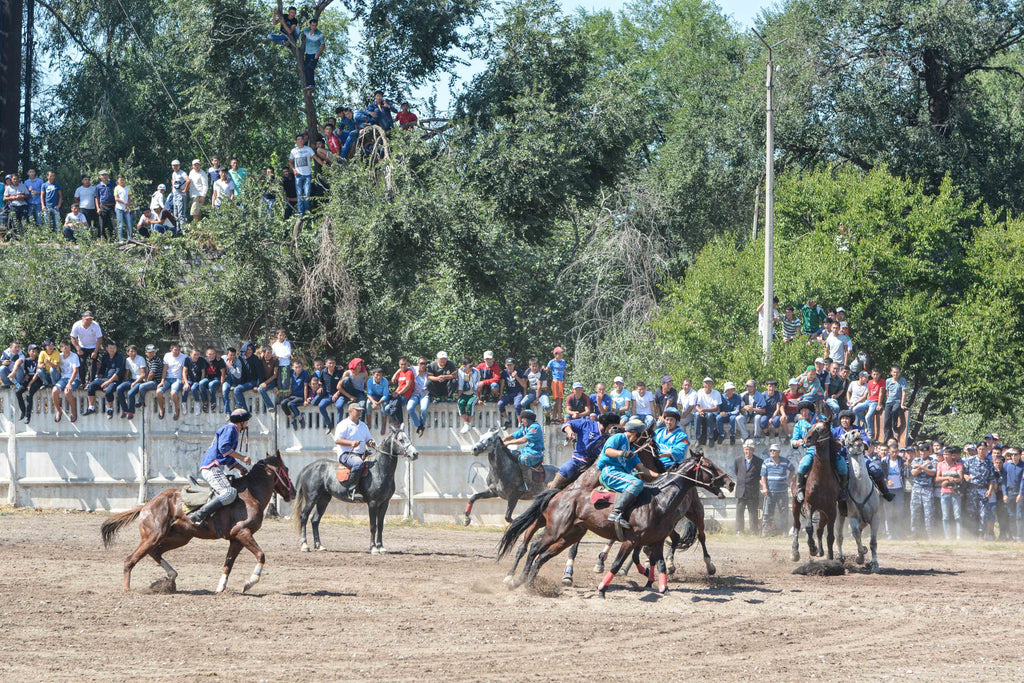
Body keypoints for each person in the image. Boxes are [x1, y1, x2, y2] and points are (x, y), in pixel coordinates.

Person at [188, 409, 253, 525]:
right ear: (240, 422)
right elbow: (225, 449)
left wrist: (239, 467)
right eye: (246, 421)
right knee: (229, 493)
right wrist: (242, 458)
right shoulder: (231, 429)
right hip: (211, 467)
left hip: (213, 467)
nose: (247, 424)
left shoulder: (232, 430)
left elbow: (227, 456)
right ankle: (198, 515)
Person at [597, 419, 652, 530]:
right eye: (641, 435)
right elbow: (608, 451)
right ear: (637, 433)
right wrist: (622, 453)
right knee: (636, 483)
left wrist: (661, 476)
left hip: (621, 475)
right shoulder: (618, 437)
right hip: (610, 472)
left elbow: (642, 468)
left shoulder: (631, 449)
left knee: (648, 487)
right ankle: (616, 513)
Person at [793, 401, 847, 506]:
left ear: (810, 411)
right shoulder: (799, 424)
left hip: (827, 450)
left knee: (842, 465)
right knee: (804, 465)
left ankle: (843, 490)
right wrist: (796, 442)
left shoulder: (821, 419)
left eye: (805, 410)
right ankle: (800, 488)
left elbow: (830, 431)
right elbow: (794, 440)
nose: (803, 413)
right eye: (801, 411)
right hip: (811, 451)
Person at [834, 410, 894, 501]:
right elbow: (831, 442)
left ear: (851, 420)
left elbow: (866, 441)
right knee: (842, 474)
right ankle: (842, 494)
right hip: (843, 459)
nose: (844, 421)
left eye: (846, 418)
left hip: (860, 457)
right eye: (842, 419)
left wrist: (863, 445)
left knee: (876, 470)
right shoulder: (835, 431)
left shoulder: (858, 429)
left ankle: (885, 492)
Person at [552, 412, 621, 490]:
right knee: (566, 469)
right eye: (613, 426)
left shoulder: (612, 435)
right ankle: (551, 490)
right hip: (579, 460)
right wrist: (570, 432)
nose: (614, 428)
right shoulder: (587, 424)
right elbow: (567, 424)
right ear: (608, 424)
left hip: (599, 464)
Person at [333, 402, 375, 501]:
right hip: (346, 454)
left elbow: (368, 439)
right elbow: (337, 440)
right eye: (357, 410)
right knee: (358, 463)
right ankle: (352, 490)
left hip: (362, 453)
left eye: (360, 411)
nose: (360, 412)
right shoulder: (343, 424)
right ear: (351, 411)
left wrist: (371, 442)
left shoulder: (363, 425)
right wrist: (351, 443)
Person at [503, 409, 546, 491]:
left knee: (523, 459)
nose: (522, 420)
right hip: (526, 450)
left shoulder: (535, 428)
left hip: (535, 453)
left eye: (524, 419)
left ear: (529, 419)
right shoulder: (526, 427)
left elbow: (524, 440)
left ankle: (526, 483)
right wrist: (504, 438)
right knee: (511, 454)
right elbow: (516, 434)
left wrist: (508, 443)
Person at [84, 340, 125, 418]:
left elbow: (118, 373)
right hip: (105, 379)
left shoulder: (120, 357)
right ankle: (91, 407)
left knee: (109, 391)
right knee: (91, 386)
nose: (112, 350)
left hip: (115, 380)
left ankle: (110, 409)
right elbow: (102, 369)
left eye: (114, 348)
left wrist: (107, 383)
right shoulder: (105, 356)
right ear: (107, 348)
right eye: (110, 348)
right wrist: (99, 380)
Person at [962, 444, 996, 539]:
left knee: (983, 513)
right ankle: (973, 534)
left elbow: (991, 479)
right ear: (977, 450)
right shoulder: (969, 461)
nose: (981, 451)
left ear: (986, 450)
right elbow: (963, 473)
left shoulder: (989, 463)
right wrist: (965, 476)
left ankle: (981, 534)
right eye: (980, 449)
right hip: (971, 490)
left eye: (983, 449)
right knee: (972, 513)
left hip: (983, 490)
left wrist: (989, 491)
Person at [760, 443, 793, 535]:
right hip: (770, 492)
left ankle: (784, 531)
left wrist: (789, 480)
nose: (772, 452)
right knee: (768, 512)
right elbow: (763, 476)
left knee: (783, 512)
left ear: (779, 452)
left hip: (782, 492)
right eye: (771, 450)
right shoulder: (766, 462)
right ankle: (766, 530)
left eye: (774, 450)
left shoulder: (785, 461)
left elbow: (792, 469)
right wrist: (764, 488)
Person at [734, 439, 763, 534]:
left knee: (753, 513)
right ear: (743, 450)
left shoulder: (759, 461)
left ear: (753, 450)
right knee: (739, 512)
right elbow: (737, 472)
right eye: (746, 449)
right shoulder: (738, 460)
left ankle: (753, 531)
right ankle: (739, 530)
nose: (748, 452)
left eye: (750, 449)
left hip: (753, 492)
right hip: (741, 491)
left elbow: (760, 476)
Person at [936, 446, 964, 540]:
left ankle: (959, 536)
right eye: (944, 454)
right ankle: (948, 536)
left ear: (952, 455)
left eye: (947, 454)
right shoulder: (940, 464)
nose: (945, 456)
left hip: (955, 493)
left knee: (957, 515)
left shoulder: (958, 465)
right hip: (944, 493)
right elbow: (937, 478)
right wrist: (947, 478)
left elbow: (960, 478)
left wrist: (949, 481)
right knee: (945, 516)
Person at [126, 344, 163, 416]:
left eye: (153, 352)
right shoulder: (147, 359)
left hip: (156, 382)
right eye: (149, 352)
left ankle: (141, 401)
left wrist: (146, 382)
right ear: (146, 352)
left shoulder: (155, 360)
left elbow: (151, 374)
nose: (151, 354)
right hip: (151, 380)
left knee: (142, 386)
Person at [908, 446, 936, 538]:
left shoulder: (933, 460)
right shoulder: (916, 460)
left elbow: (932, 473)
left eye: (925, 451)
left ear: (929, 451)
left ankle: (930, 535)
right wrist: (923, 466)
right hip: (916, 488)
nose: (923, 453)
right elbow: (914, 473)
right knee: (915, 511)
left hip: (927, 488)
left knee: (928, 513)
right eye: (921, 451)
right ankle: (914, 533)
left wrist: (920, 468)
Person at [52, 340, 81, 423]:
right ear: (61, 349)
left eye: (69, 348)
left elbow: (75, 371)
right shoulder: (59, 356)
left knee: (67, 392)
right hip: (63, 378)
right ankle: (58, 410)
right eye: (65, 348)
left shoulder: (74, 356)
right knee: (54, 391)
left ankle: (74, 411)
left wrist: (69, 383)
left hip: (74, 378)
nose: (67, 350)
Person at [70, 310, 103, 384]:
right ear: (83, 318)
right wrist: (78, 348)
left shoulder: (95, 325)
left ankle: (91, 382)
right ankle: (82, 382)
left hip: (93, 346)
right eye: (87, 319)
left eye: (90, 319)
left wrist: (95, 351)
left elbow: (99, 339)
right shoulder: (77, 325)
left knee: (93, 363)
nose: (89, 321)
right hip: (82, 346)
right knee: (81, 363)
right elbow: (73, 338)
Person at [115, 345, 148, 419]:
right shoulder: (127, 360)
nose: (133, 353)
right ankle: (124, 409)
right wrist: (125, 382)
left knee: (130, 393)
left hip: (140, 380)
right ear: (128, 353)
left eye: (135, 351)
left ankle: (131, 412)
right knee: (119, 388)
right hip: (132, 379)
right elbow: (127, 372)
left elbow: (143, 375)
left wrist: (135, 383)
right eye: (131, 351)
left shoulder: (140, 359)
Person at [653, 406, 689, 470]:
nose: (669, 422)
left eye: (671, 420)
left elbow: (679, 450)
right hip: (655, 462)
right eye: (667, 419)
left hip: (671, 465)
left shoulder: (682, 436)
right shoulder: (658, 432)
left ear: (676, 421)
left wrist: (663, 455)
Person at [882, 443, 906, 538]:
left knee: (899, 511)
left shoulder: (901, 461)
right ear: (889, 451)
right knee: (888, 512)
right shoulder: (884, 461)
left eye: (896, 452)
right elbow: (881, 474)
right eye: (892, 452)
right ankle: (890, 533)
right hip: (888, 490)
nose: (894, 454)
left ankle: (898, 532)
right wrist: (887, 481)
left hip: (899, 488)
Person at [158, 342, 186, 420]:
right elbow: (165, 369)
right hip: (167, 378)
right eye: (175, 350)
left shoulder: (183, 357)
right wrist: (162, 380)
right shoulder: (167, 355)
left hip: (177, 379)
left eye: (178, 350)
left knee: (173, 393)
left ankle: (177, 410)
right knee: (159, 392)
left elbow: (184, 370)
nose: (177, 352)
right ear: (171, 350)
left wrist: (184, 380)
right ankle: (161, 409)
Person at [13, 344, 40, 423]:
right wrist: (25, 375)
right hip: (28, 380)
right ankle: (23, 411)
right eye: (33, 351)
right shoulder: (26, 361)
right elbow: (24, 371)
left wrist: (30, 384)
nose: (34, 353)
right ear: (28, 352)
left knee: (29, 395)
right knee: (18, 392)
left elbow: (37, 374)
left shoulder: (38, 360)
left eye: (36, 351)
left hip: (36, 381)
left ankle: (28, 416)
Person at [289, 133, 315, 213]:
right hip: (298, 175)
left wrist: (323, 165)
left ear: (303, 140)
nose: (300, 141)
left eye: (301, 139)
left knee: (307, 193)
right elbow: (290, 162)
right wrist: (294, 170)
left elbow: (315, 158)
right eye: (298, 139)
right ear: (296, 141)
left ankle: (306, 211)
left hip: (307, 175)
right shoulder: (293, 151)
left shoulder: (308, 149)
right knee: (299, 194)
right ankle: (301, 212)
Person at [317, 356, 344, 433]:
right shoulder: (323, 372)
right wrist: (320, 387)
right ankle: (329, 424)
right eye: (330, 363)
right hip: (328, 395)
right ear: (326, 364)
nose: (331, 365)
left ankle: (339, 426)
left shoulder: (340, 371)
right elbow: (320, 381)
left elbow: (343, 384)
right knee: (321, 406)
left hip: (339, 394)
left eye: (333, 363)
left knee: (339, 406)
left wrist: (337, 393)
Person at [280, 359, 310, 429]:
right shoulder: (292, 372)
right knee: (283, 403)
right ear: (293, 367)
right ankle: (292, 419)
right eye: (296, 367)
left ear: (302, 367)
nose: (298, 369)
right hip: (293, 395)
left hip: (300, 396)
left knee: (290, 404)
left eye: (299, 367)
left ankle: (300, 418)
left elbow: (306, 386)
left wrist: (305, 400)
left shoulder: (305, 373)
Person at [883, 365, 907, 444]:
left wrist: (902, 404)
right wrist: (887, 399)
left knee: (894, 411)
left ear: (899, 372)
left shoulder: (902, 380)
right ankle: (886, 439)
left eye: (897, 372)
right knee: (886, 420)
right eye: (894, 372)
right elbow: (887, 391)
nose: (895, 374)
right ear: (891, 372)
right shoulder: (888, 381)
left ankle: (894, 427)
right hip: (889, 401)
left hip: (897, 401)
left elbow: (904, 392)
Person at [497, 358, 525, 428]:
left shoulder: (519, 372)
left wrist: (516, 377)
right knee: (500, 404)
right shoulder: (504, 372)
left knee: (517, 405)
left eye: (511, 365)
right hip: (509, 394)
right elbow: (502, 384)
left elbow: (524, 385)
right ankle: (507, 420)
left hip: (518, 393)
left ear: (514, 365)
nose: (510, 367)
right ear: (505, 365)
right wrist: (500, 395)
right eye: (508, 365)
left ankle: (520, 422)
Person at [1003, 448, 1024, 541]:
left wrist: (1020, 493)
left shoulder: (1023, 466)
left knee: (1019, 515)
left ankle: (1019, 535)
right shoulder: (1006, 465)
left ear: (1020, 455)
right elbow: (1004, 481)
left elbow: (1023, 481)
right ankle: (1012, 535)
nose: (1014, 456)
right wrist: (1004, 494)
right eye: (1012, 454)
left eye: (1016, 454)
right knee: (1011, 515)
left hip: (1019, 492)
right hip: (1010, 492)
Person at [694, 377, 721, 446]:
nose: (708, 385)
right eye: (706, 383)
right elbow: (697, 405)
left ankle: (711, 436)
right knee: (697, 415)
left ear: (712, 384)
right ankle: (697, 438)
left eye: (709, 383)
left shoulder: (716, 393)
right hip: (703, 412)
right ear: (703, 384)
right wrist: (700, 411)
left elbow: (716, 408)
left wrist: (705, 410)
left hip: (712, 414)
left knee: (709, 415)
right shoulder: (700, 392)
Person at [456, 358, 480, 434]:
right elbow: (460, 385)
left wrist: (478, 397)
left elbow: (478, 385)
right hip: (464, 393)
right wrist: (458, 397)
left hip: (473, 393)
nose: (471, 368)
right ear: (464, 366)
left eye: (472, 366)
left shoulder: (476, 372)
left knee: (470, 404)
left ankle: (469, 423)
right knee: (460, 403)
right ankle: (465, 423)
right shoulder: (460, 372)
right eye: (470, 366)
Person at [390, 356, 415, 429]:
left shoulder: (409, 373)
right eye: (401, 364)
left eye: (405, 364)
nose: (403, 366)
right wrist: (396, 392)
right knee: (388, 407)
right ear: (399, 365)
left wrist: (398, 393)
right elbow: (400, 385)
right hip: (398, 394)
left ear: (407, 364)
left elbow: (407, 386)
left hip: (405, 396)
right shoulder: (400, 372)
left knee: (395, 406)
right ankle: (395, 422)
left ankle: (400, 423)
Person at [183, 348, 209, 415]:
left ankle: (197, 404)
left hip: (197, 380)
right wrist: (186, 382)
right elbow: (184, 372)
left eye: (198, 355)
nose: (196, 356)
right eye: (195, 355)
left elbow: (203, 372)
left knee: (193, 388)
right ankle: (184, 404)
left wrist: (201, 382)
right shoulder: (187, 360)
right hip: (190, 380)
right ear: (190, 354)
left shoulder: (201, 360)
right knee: (185, 389)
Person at [365, 366, 391, 435]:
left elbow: (385, 395)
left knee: (384, 407)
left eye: (380, 375)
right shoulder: (370, 381)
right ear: (373, 375)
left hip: (382, 397)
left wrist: (378, 403)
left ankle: (383, 425)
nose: (378, 377)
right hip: (374, 396)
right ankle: (369, 423)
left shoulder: (385, 381)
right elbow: (368, 394)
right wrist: (373, 402)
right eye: (377, 375)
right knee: (368, 403)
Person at [301, 19, 325, 90]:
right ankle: (308, 84)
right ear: (310, 25)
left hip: (315, 53)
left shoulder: (319, 34)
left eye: (315, 26)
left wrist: (318, 54)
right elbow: (303, 35)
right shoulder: (306, 31)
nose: (314, 27)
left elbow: (323, 45)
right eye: (312, 25)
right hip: (308, 52)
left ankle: (312, 85)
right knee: (305, 68)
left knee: (310, 68)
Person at [547, 347, 566, 423]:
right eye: (559, 353)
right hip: (555, 381)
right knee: (558, 400)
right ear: (555, 354)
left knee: (560, 400)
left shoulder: (563, 362)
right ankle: (559, 417)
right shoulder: (552, 362)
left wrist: (564, 381)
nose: (561, 355)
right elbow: (546, 370)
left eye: (561, 353)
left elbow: (564, 372)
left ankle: (555, 417)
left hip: (561, 382)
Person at [220, 347, 242, 413]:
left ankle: (234, 385)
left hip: (236, 380)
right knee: (224, 390)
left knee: (233, 373)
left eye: (234, 355)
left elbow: (238, 375)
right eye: (231, 355)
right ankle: (227, 412)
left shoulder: (237, 361)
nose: (232, 357)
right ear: (227, 354)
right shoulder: (223, 358)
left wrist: (231, 367)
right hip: (227, 379)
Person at [95, 170, 116, 240]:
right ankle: (102, 238)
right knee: (102, 223)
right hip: (103, 206)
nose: (104, 176)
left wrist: (116, 205)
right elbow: (96, 198)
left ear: (108, 176)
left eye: (105, 175)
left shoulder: (113, 184)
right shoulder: (98, 186)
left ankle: (114, 238)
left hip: (113, 206)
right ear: (100, 176)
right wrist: (98, 208)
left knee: (114, 223)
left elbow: (117, 195)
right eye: (102, 175)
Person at [169, 160, 189, 227]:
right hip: (175, 195)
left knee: (181, 215)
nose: (175, 167)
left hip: (181, 196)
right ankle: (178, 230)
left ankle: (183, 230)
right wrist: (173, 188)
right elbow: (172, 180)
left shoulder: (182, 173)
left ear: (179, 166)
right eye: (174, 165)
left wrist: (184, 190)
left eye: (176, 165)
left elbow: (188, 180)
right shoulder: (174, 173)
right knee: (176, 215)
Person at [113, 174, 133, 241]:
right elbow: (116, 198)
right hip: (119, 208)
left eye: (123, 180)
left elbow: (129, 198)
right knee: (120, 225)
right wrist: (124, 203)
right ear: (118, 180)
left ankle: (130, 238)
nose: (122, 181)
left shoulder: (127, 188)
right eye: (121, 180)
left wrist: (127, 206)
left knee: (129, 224)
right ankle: (120, 239)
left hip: (126, 208)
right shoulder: (117, 188)